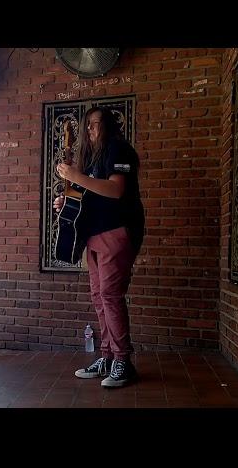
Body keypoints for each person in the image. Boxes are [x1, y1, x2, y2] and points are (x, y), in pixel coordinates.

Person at [54, 106, 144, 388]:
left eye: (96, 124)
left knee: (110, 295)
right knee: (99, 295)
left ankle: (122, 361)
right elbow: (90, 194)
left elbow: (116, 189)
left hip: (117, 231)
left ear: (108, 126)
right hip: (94, 234)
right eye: (88, 125)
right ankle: (106, 356)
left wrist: (75, 176)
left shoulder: (119, 150)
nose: (90, 130)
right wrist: (67, 201)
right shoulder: (94, 158)